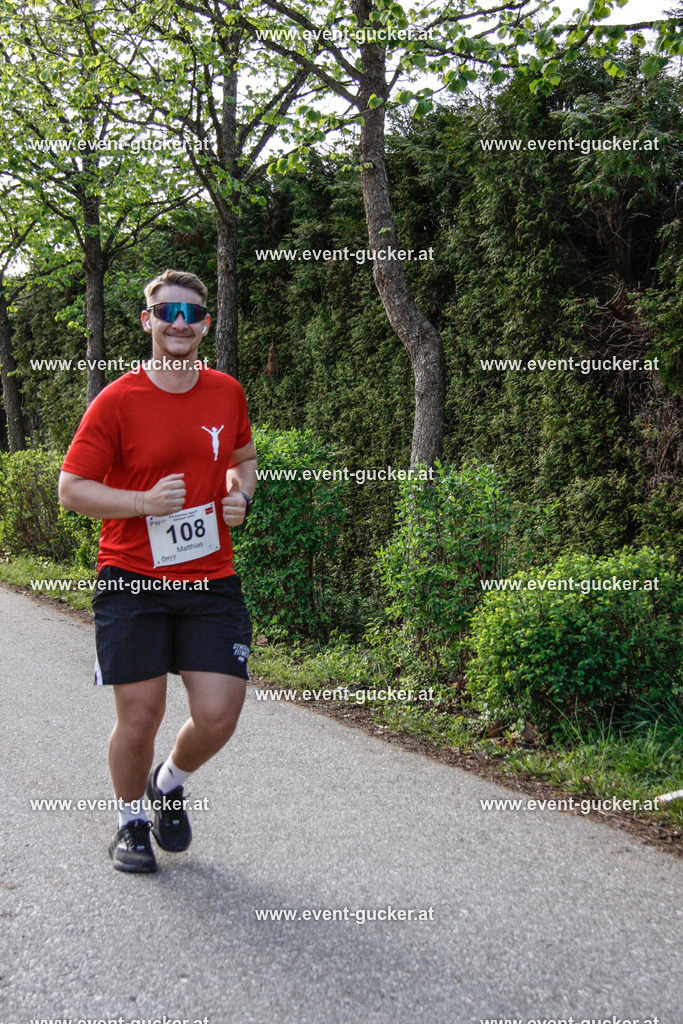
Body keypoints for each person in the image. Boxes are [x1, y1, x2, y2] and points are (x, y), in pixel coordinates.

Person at [58, 268, 257, 874]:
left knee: (220, 713)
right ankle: (129, 824)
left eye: (190, 314)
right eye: (167, 312)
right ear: (148, 321)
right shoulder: (116, 401)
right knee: (140, 715)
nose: (179, 324)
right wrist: (143, 503)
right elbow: (72, 490)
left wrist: (240, 497)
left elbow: (244, 461)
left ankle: (167, 782)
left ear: (204, 325)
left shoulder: (226, 392)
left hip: (209, 578)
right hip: (132, 578)